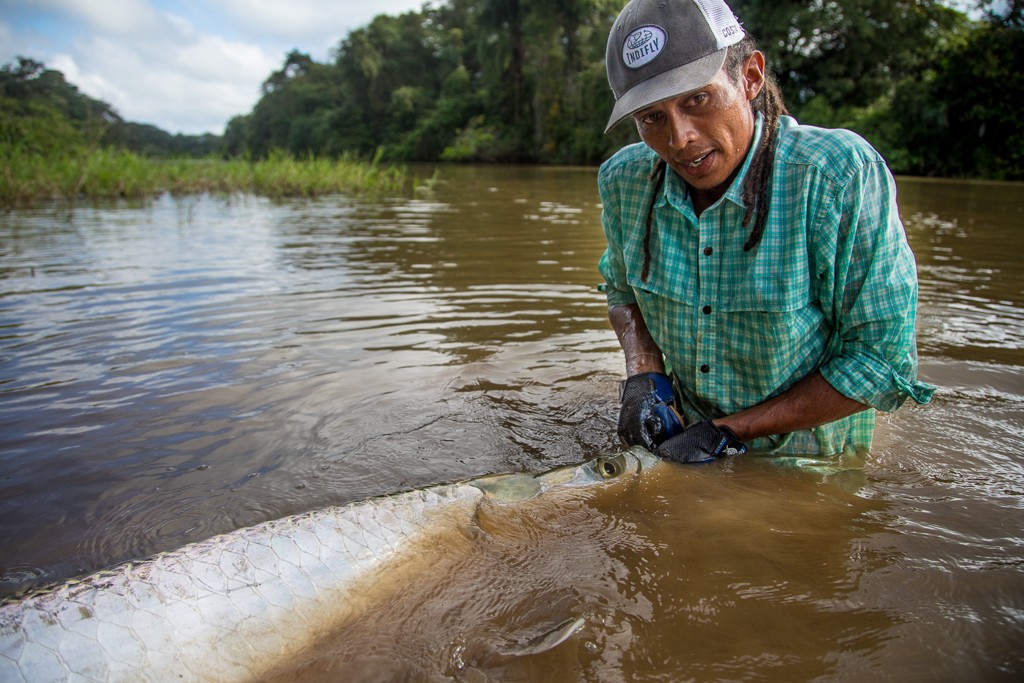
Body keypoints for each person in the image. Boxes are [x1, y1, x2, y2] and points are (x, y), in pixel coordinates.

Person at [598, 0, 935, 463]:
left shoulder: (835, 176)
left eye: (696, 99)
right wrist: (644, 376)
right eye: (651, 117)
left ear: (751, 77)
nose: (678, 139)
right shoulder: (625, 182)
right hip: (678, 446)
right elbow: (621, 289)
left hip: (807, 467)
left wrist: (724, 432)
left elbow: (880, 363)